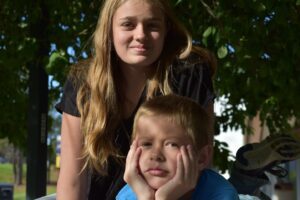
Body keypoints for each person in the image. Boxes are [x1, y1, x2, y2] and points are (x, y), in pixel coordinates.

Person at [55, 0, 216, 199]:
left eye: (152, 25)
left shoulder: (190, 75)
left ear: (166, 30)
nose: (141, 35)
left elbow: (201, 168)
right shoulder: (83, 84)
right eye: (128, 24)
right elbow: (72, 183)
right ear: (109, 30)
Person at [116, 94, 239, 200]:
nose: (156, 155)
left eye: (172, 144)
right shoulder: (130, 194)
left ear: (201, 157)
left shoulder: (221, 195)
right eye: (146, 144)